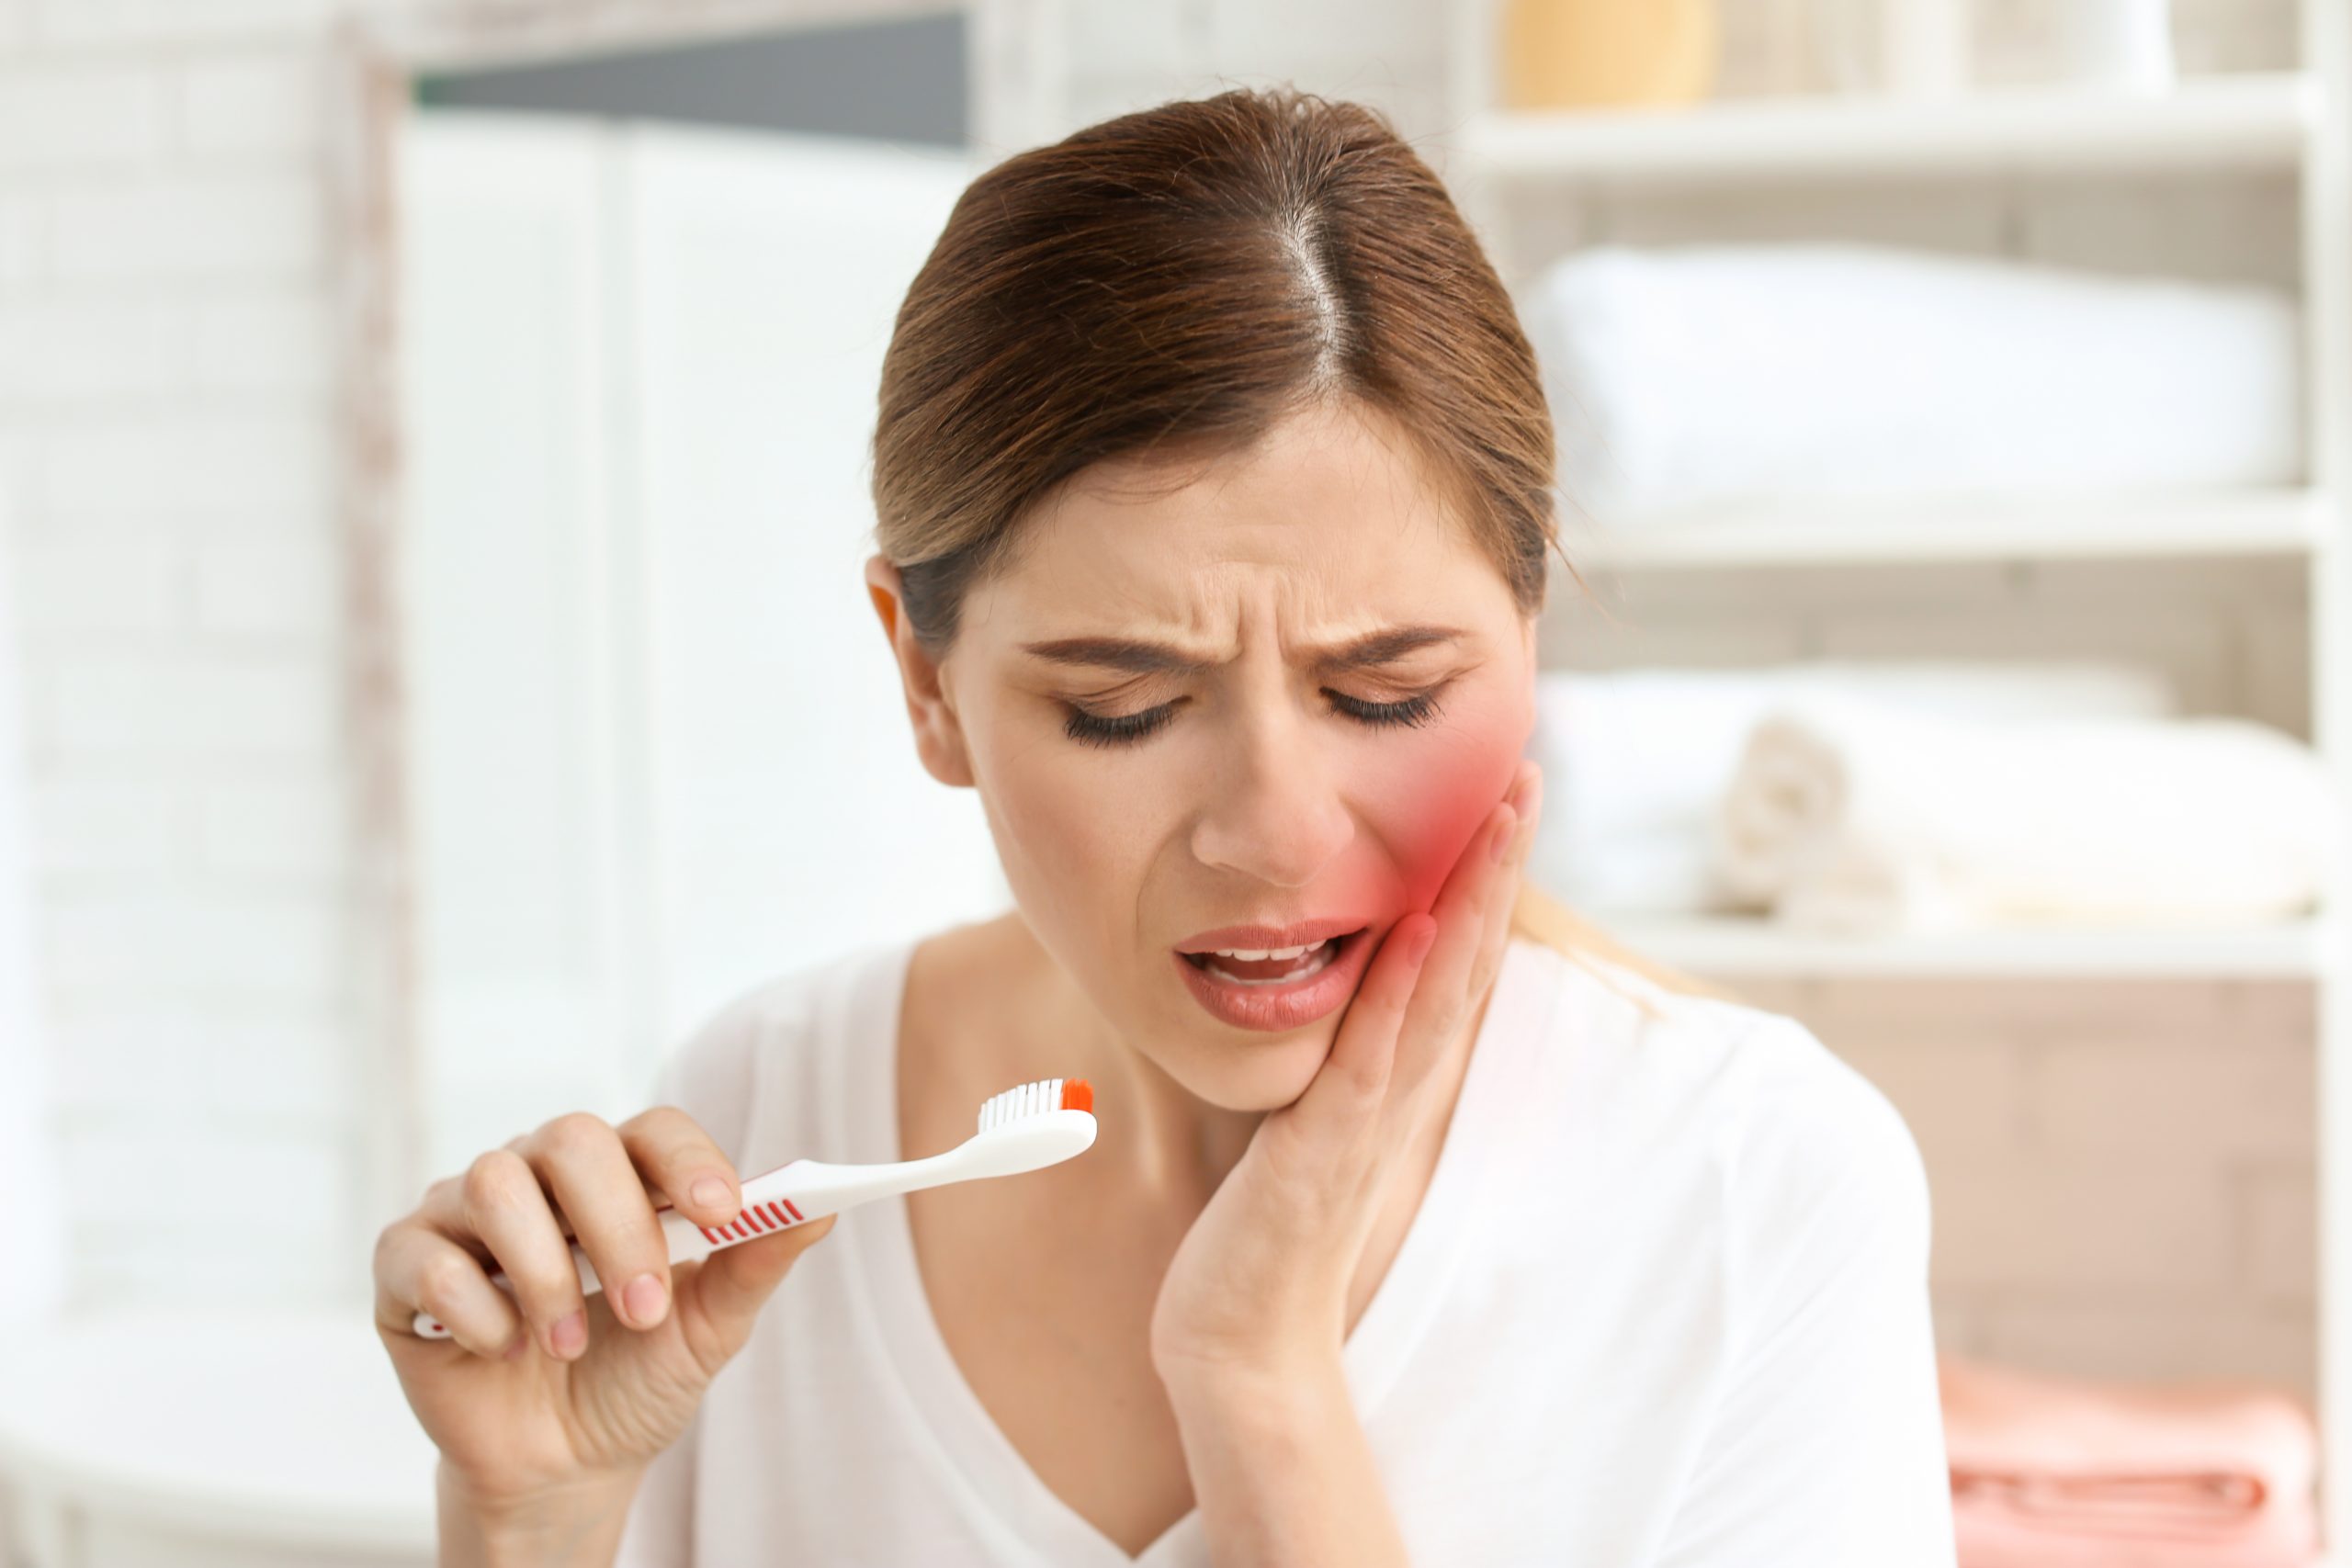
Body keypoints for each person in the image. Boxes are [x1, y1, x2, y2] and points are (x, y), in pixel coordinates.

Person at [374, 84, 1957, 1567]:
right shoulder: (769, 1121)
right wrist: (535, 1516)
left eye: (1389, 691)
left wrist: (1261, 1383)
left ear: (1529, 631)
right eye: (1123, 707)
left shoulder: (1755, 1189)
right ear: (926, 681)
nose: (1271, 834)